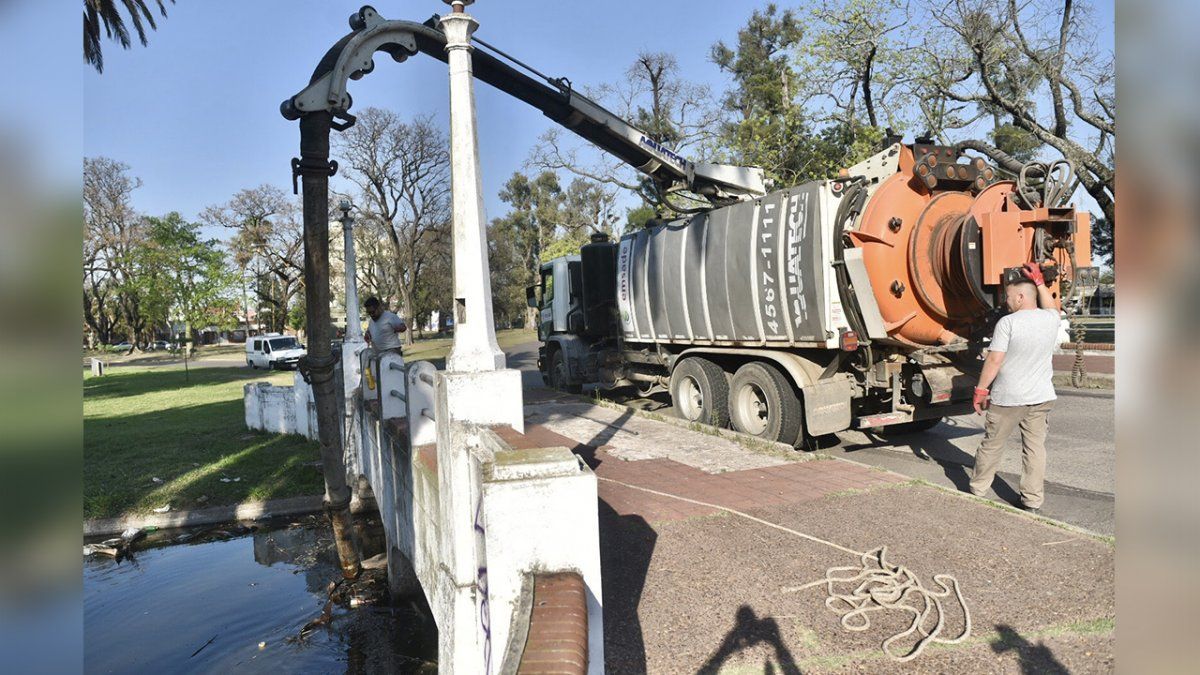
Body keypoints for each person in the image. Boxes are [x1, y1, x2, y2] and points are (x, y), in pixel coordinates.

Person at [969, 262, 1060, 515]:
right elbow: (1052, 307)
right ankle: (1032, 501)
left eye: (1009, 297)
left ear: (1020, 297)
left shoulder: (1008, 323)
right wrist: (1040, 282)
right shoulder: (1050, 319)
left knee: (992, 445)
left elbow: (994, 359)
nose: (1006, 302)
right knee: (1034, 449)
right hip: (1041, 397)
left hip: (1008, 399)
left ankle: (978, 489)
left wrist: (981, 390)